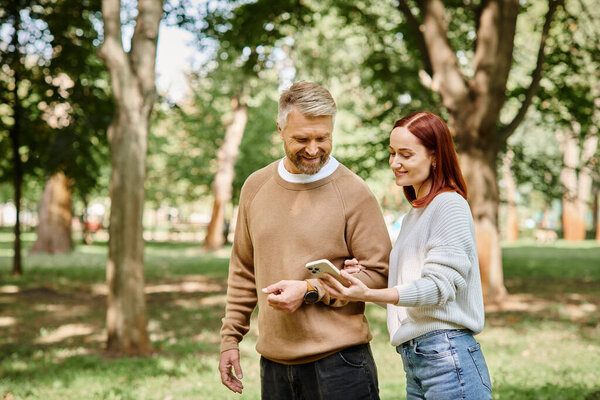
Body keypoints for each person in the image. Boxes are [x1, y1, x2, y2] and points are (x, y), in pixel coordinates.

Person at [218, 81, 391, 399]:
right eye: (301, 139)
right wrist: (231, 338)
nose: (313, 149)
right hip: (274, 364)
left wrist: (312, 290)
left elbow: (379, 274)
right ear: (280, 129)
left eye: (322, 138)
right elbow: (243, 270)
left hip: (340, 364)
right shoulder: (255, 187)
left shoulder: (353, 192)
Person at [322, 111, 492, 399]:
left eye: (406, 155)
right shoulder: (415, 214)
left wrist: (369, 295)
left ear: (435, 156)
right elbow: (412, 297)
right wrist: (361, 279)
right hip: (417, 360)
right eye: (392, 153)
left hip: (447, 358)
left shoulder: (449, 205)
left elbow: (438, 288)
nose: (395, 163)